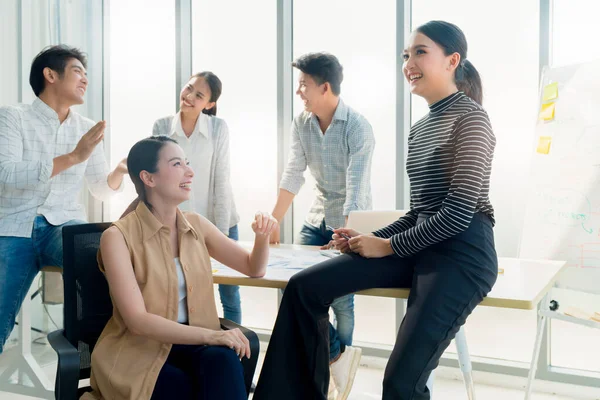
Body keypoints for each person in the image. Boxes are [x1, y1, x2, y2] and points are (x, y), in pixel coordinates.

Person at [254, 20, 498, 400]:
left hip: (462, 254)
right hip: (421, 244)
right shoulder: (420, 129)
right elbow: (420, 212)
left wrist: (387, 247)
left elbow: (458, 212)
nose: (409, 62)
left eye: (420, 52)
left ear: (452, 61)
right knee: (304, 288)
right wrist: (371, 238)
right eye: (406, 54)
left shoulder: (471, 119)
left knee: (401, 382)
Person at [83, 136, 277, 400]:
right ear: (148, 178)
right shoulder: (117, 237)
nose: (190, 171)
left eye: (186, 162)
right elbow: (138, 322)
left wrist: (262, 236)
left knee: (224, 363)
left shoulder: (197, 225)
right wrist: (212, 336)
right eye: (177, 164)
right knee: (182, 387)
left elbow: (253, 268)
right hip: (139, 349)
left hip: (194, 341)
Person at [0, 45, 127, 353]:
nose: (85, 80)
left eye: (86, 74)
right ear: (50, 75)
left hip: (64, 225)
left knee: (102, 257)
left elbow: (99, 188)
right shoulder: (11, 117)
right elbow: (6, 174)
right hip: (13, 226)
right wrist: (73, 157)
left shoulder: (87, 128)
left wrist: (120, 171)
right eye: (77, 72)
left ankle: (91, 358)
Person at [269, 51, 375, 398]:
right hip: (316, 218)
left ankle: (338, 376)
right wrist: (275, 219)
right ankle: (335, 355)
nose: (299, 91)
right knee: (291, 284)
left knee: (342, 299)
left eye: (303, 85)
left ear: (325, 87)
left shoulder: (357, 127)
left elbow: (356, 190)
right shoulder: (302, 123)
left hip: (350, 220)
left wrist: (345, 235)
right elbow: (293, 173)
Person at [152, 71, 243, 324]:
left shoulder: (217, 128)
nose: (189, 96)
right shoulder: (162, 126)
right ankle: (198, 345)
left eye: (199, 95)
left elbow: (221, 182)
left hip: (219, 222)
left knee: (230, 293)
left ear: (209, 104)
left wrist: (221, 236)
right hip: (179, 227)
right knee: (185, 292)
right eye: (189, 88)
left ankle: (241, 354)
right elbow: (158, 180)